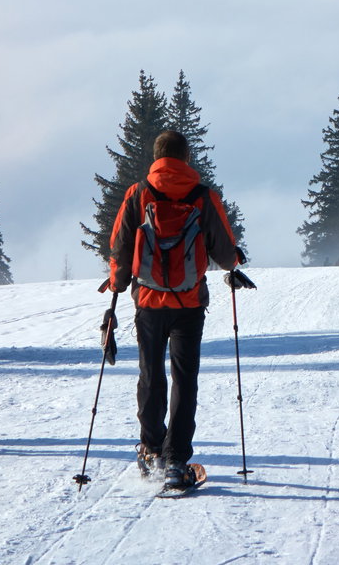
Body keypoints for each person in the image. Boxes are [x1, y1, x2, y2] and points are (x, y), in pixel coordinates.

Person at [108, 130, 241, 489]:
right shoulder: (203, 196)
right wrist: (235, 261)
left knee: (151, 374)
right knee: (184, 378)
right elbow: (225, 254)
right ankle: (176, 461)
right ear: (186, 158)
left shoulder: (138, 194)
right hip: (189, 303)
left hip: (148, 302)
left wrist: (117, 284)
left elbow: (120, 245)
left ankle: (152, 449)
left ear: (156, 157)